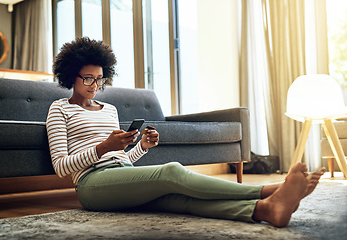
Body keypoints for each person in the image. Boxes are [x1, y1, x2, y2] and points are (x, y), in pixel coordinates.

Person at [46, 37, 325, 228]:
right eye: (87, 78)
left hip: (117, 175)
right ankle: (269, 190)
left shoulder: (109, 109)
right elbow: (60, 167)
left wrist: (141, 146)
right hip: (92, 186)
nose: (94, 85)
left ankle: (266, 210)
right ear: (71, 76)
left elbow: (125, 162)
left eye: (99, 78)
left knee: (178, 200)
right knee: (171, 172)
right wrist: (103, 148)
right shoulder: (59, 109)